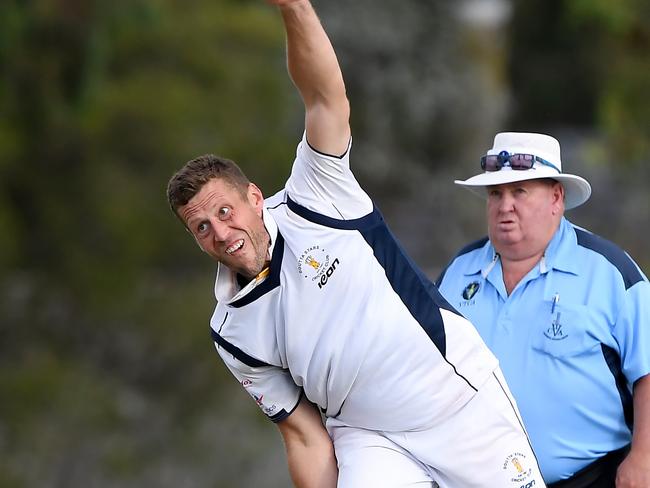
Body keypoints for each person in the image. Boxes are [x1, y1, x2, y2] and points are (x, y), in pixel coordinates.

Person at [166, 2, 545, 487]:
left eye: (225, 212)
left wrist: (294, 8)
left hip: (453, 400)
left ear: (255, 198)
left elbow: (325, 101)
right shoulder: (231, 331)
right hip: (367, 437)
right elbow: (303, 436)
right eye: (201, 228)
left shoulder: (314, 196)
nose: (220, 232)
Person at [435, 132, 650, 487]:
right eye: (496, 194)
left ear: (556, 197)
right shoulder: (458, 272)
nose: (505, 206)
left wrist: (643, 458)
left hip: (591, 478)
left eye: (519, 191)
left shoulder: (610, 273)